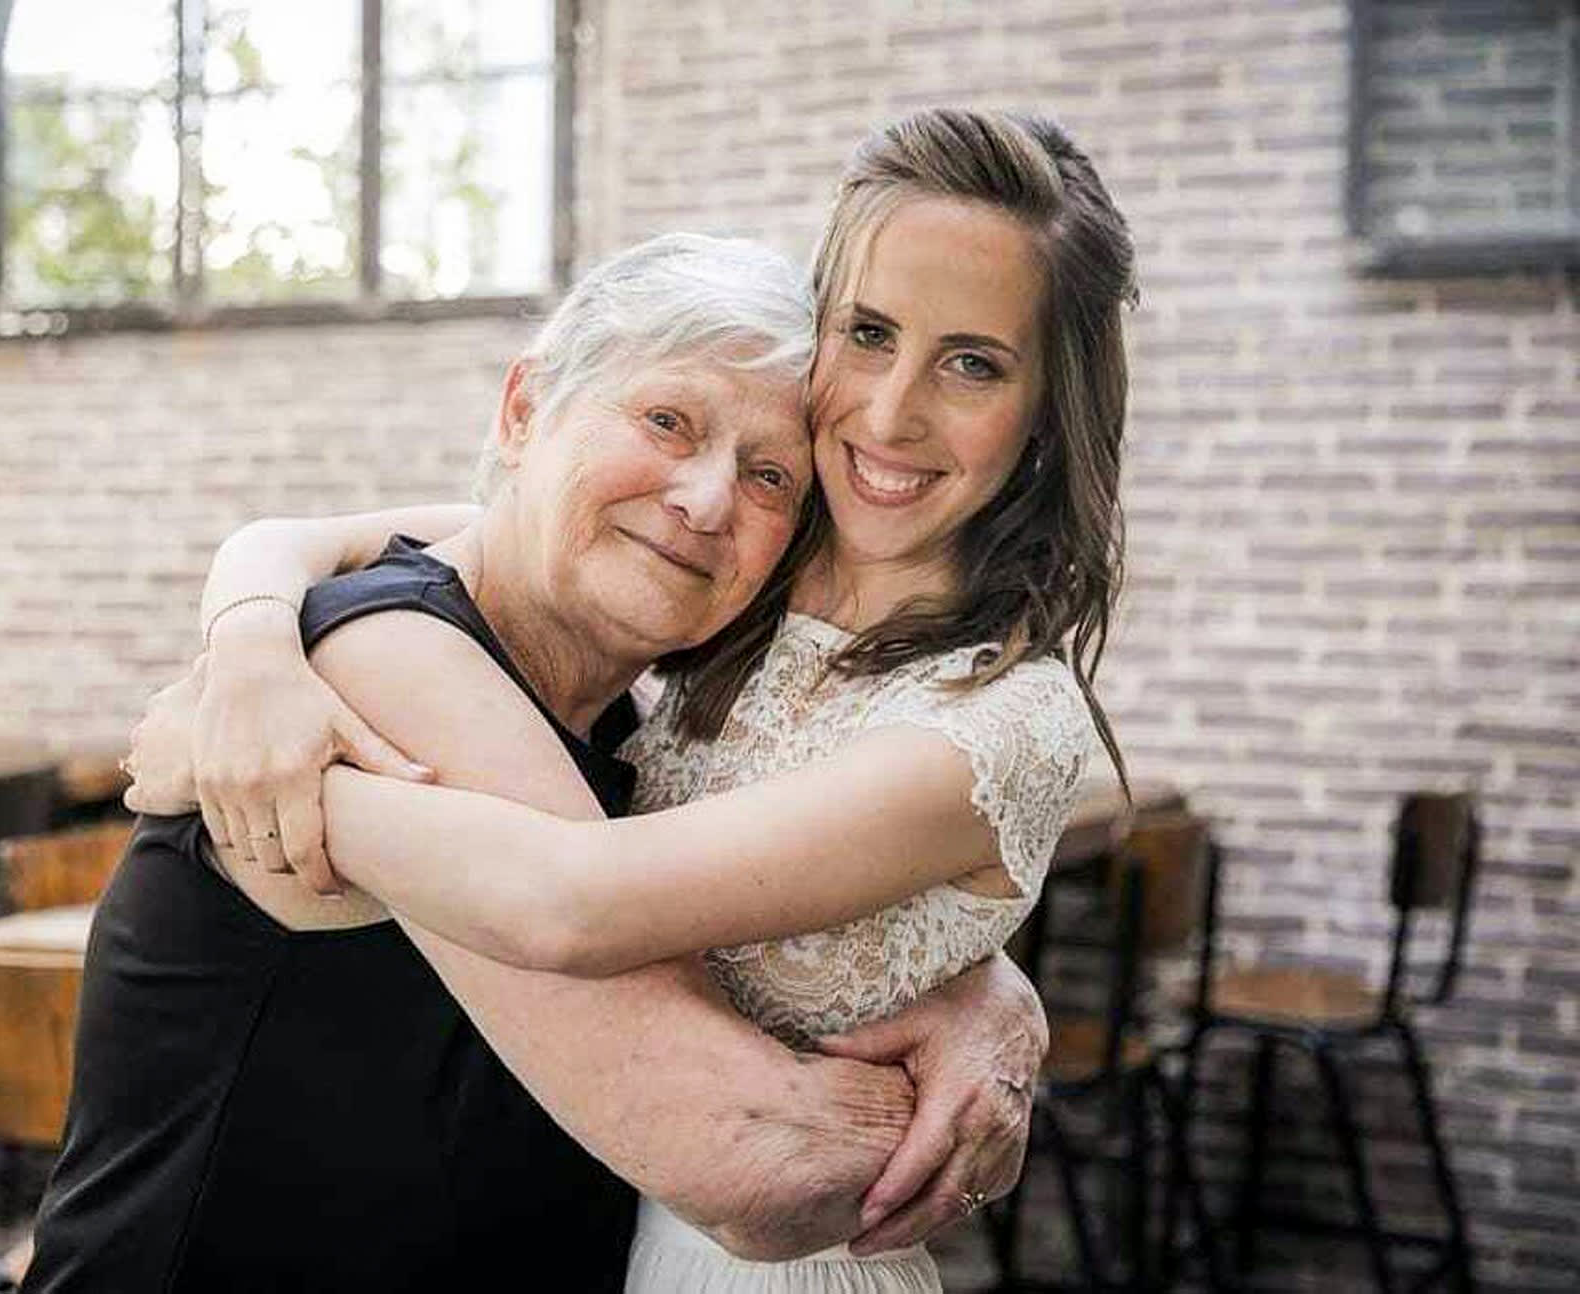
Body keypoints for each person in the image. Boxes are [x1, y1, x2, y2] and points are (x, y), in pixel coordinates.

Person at [128, 107, 1136, 1292]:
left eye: (767, 473)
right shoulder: (449, 644)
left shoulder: (712, 670)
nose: (705, 501)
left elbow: (601, 899)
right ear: (522, 412)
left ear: (1041, 416)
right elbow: (350, 542)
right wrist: (249, 624)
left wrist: (254, 771)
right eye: (664, 421)